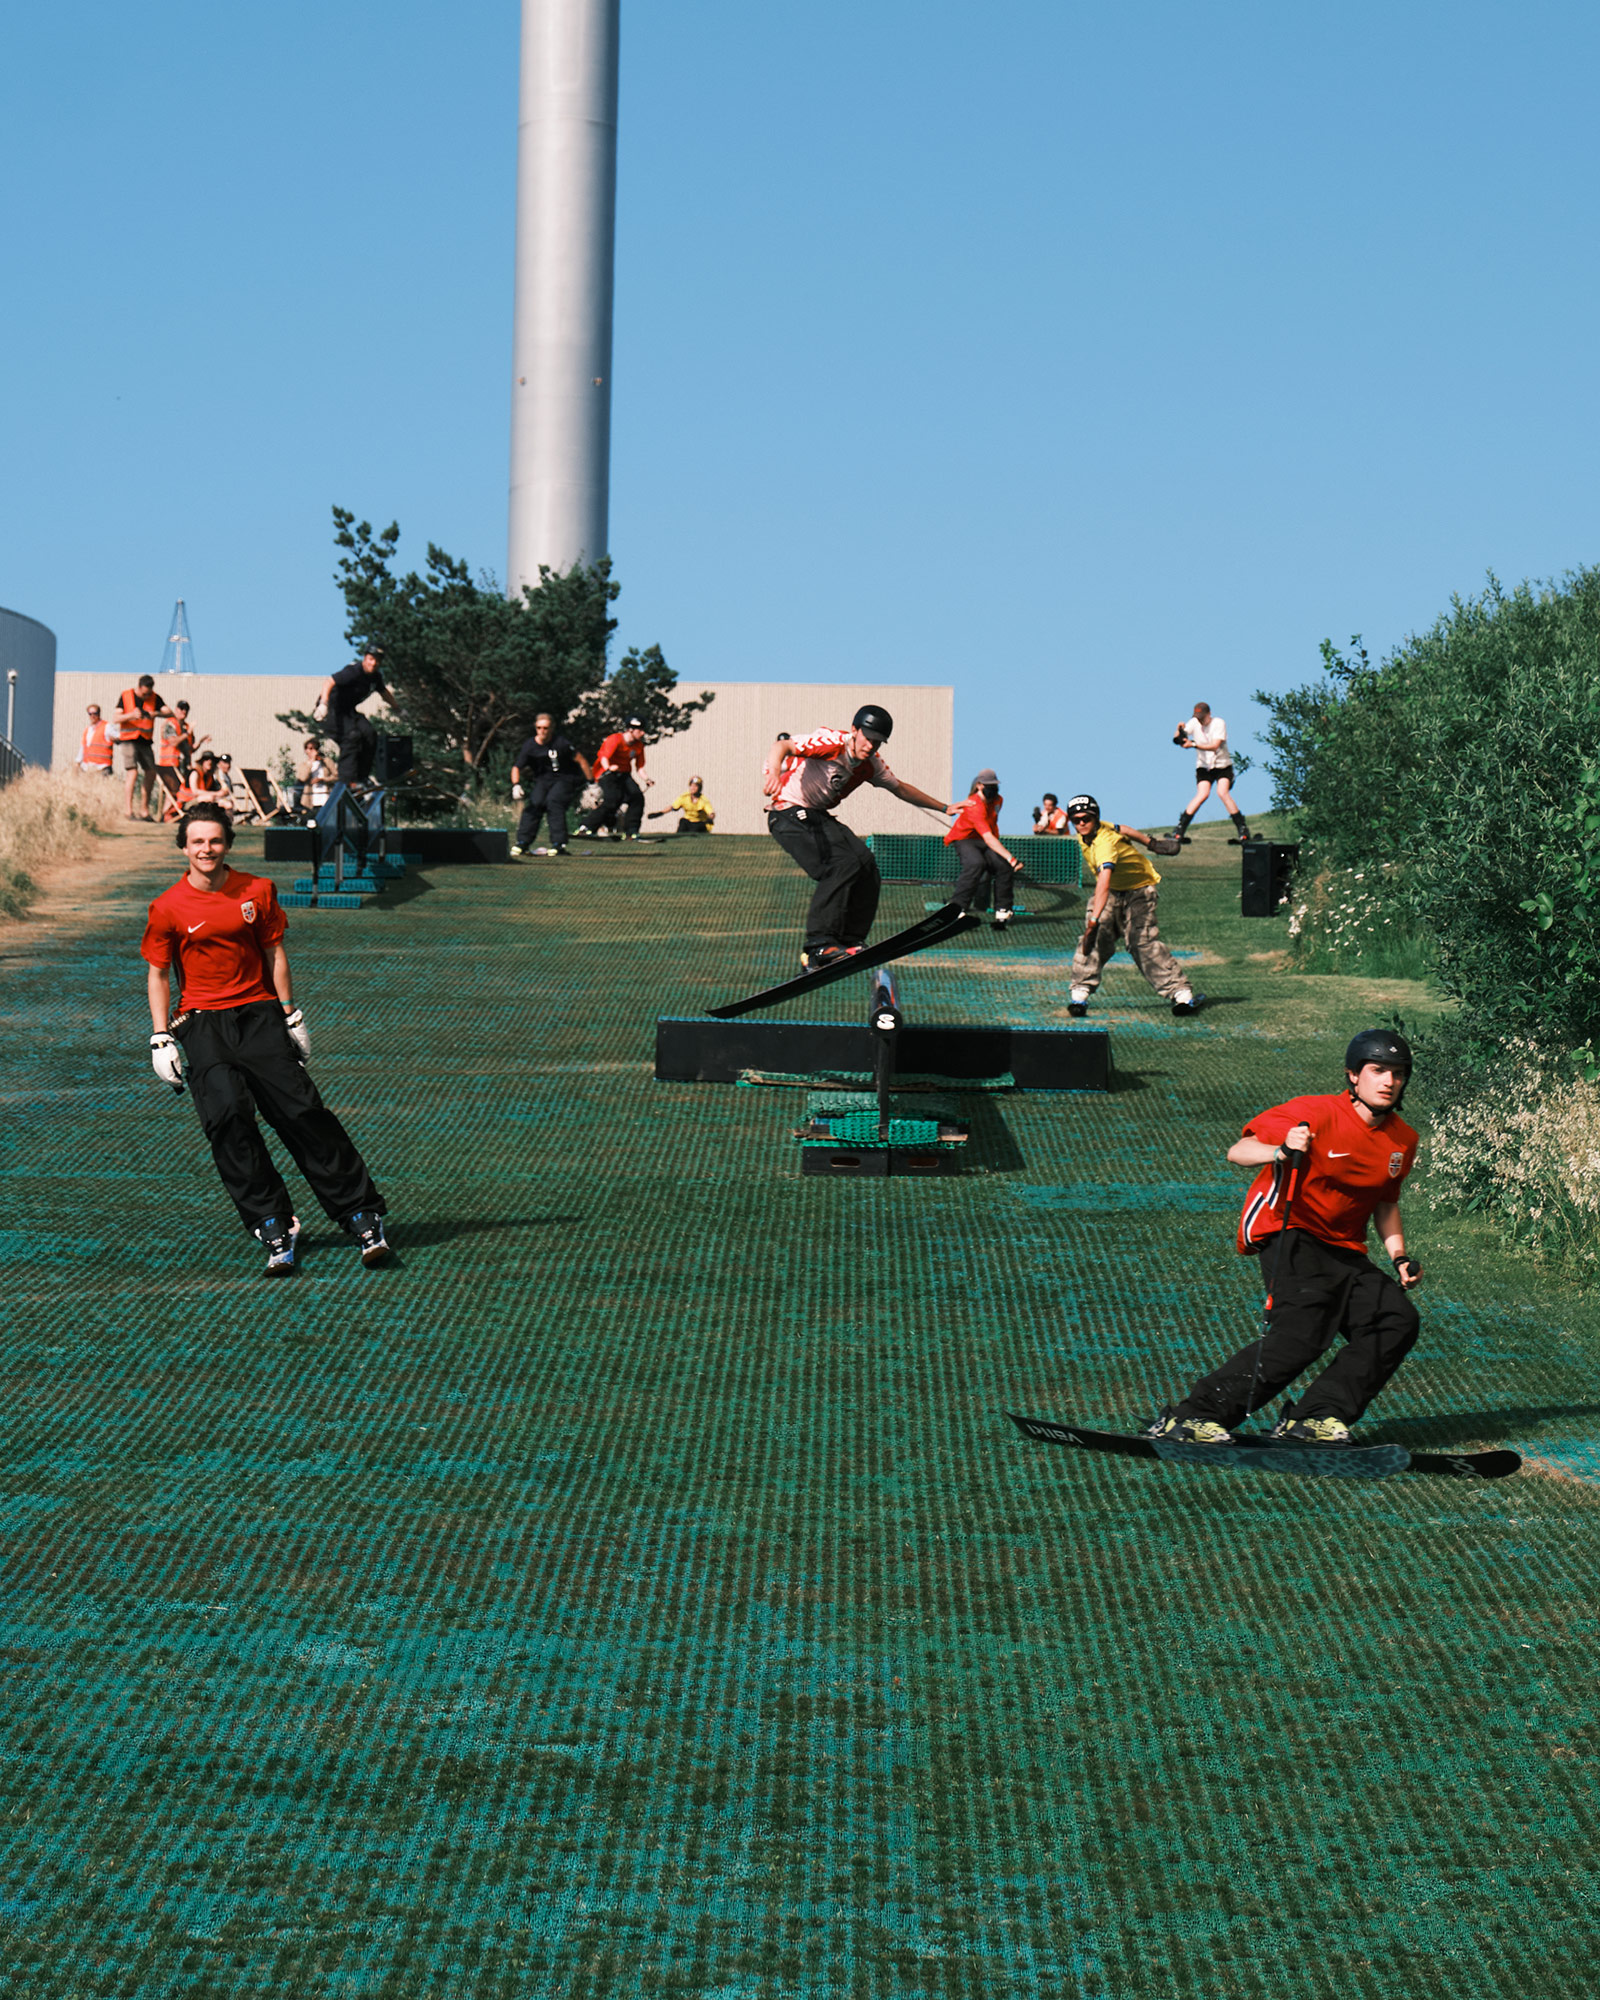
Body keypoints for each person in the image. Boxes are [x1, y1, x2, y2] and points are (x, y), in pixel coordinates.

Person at [142, 802, 391, 1274]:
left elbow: (275, 954)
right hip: (201, 1023)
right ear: (184, 848)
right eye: (197, 841)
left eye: (215, 840)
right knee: (227, 1117)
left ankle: (360, 1213)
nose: (207, 849)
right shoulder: (167, 907)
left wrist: (291, 1015)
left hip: (259, 1015)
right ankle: (272, 1221)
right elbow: (158, 975)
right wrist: (160, 1037)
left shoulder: (256, 890)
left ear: (227, 844)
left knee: (301, 1112)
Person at [1146, 1029, 1421, 1447]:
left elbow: (1385, 1202)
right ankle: (1193, 1417)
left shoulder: (1402, 1139)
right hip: (1289, 1229)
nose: (1389, 1081)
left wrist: (1398, 1256)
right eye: (1378, 1070)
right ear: (1353, 1075)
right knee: (1303, 1332)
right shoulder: (1315, 1113)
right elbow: (1239, 1150)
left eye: (1397, 1073)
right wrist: (1281, 1151)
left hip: (1344, 1248)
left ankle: (1316, 1418)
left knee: (1395, 1319)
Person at [762, 705, 960, 969]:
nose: (870, 746)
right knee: (841, 864)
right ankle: (819, 946)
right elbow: (782, 746)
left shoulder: (871, 764)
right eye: (867, 738)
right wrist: (775, 774)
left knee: (866, 864)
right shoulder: (831, 743)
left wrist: (945, 808)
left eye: (877, 742)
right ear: (854, 731)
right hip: (787, 813)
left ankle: (850, 940)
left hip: (816, 815)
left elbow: (900, 788)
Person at [1063, 794, 1195, 1017]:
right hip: (1113, 891)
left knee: (1140, 941)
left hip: (1139, 890)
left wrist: (1093, 920)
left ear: (1095, 817)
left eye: (1086, 818)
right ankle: (1080, 992)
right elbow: (1122, 828)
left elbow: (1103, 882)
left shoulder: (1104, 843)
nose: (1081, 823)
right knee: (1095, 938)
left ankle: (1180, 993)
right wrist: (1150, 843)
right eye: (1076, 820)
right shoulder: (1089, 831)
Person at [946, 770, 1022, 928]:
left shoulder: (998, 800)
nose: (993, 789)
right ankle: (957, 908)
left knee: (1003, 866)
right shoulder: (974, 806)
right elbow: (988, 837)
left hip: (984, 840)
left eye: (994, 785)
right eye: (989, 785)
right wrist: (1012, 859)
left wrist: (1006, 861)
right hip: (965, 838)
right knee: (975, 863)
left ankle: (1003, 910)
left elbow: (991, 829)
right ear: (979, 785)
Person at [510, 713, 592, 856]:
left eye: (545, 728)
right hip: (543, 780)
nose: (542, 731)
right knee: (535, 803)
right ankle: (523, 842)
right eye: (539, 728)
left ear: (552, 728)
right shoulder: (530, 746)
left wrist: (592, 783)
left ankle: (558, 843)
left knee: (554, 802)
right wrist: (516, 785)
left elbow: (581, 760)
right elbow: (517, 767)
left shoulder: (561, 743)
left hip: (565, 778)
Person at [1173, 703, 1251, 843]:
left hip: (1222, 765)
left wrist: (1193, 744)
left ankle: (1242, 828)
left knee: (1222, 792)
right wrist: (1179, 730)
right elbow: (1178, 738)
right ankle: (1180, 829)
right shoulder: (1194, 722)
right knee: (1202, 794)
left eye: (1202, 717)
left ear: (1209, 714)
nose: (1200, 720)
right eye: (1198, 718)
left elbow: (1215, 745)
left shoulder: (1218, 723)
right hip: (1204, 766)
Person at [316, 645, 390, 788]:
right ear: (365, 658)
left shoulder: (375, 677)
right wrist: (323, 704)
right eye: (371, 659)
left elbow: (384, 693)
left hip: (348, 712)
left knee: (369, 734)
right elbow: (329, 682)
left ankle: (362, 777)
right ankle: (345, 781)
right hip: (330, 711)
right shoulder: (353, 671)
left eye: (377, 661)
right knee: (351, 736)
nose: (373, 664)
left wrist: (399, 709)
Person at [575, 716, 652, 839]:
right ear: (630, 730)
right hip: (607, 773)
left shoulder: (638, 746)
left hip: (624, 774)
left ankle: (631, 831)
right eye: (640, 730)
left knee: (637, 797)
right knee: (612, 799)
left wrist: (647, 779)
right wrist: (609, 768)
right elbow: (604, 757)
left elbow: (639, 767)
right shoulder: (615, 739)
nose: (643, 733)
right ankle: (586, 827)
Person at [116, 674, 174, 821]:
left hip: (145, 741)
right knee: (133, 772)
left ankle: (144, 811)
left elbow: (169, 712)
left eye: (148, 694)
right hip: (129, 739)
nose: (146, 696)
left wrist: (156, 713)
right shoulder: (126, 696)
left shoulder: (155, 698)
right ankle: (128, 811)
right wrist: (131, 715)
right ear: (139, 687)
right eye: (144, 694)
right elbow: (116, 718)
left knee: (151, 772)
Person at [293, 738, 334, 815]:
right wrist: (311, 762)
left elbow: (336, 776)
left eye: (314, 748)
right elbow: (303, 778)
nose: (312, 751)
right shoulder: (304, 765)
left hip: (325, 797)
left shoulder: (326, 762)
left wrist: (323, 779)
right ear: (306, 751)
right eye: (310, 749)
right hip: (310, 800)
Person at [78, 704, 115, 778]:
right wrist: (78, 762)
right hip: (88, 769)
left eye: (95, 713)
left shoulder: (107, 727)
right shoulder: (87, 730)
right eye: (90, 714)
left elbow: (119, 737)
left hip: (103, 768)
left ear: (99, 714)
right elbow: (82, 748)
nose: (92, 716)